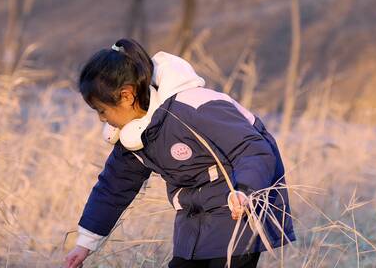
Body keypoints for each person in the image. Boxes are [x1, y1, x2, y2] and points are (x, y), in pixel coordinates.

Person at [64, 38, 295, 268]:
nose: (102, 119)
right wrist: (85, 243)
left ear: (126, 95)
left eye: (102, 110)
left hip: (238, 207)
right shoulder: (133, 136)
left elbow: (253, 148)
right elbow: (114, 187)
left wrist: (245, 190)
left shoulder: (194, 108)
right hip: (193, 217)